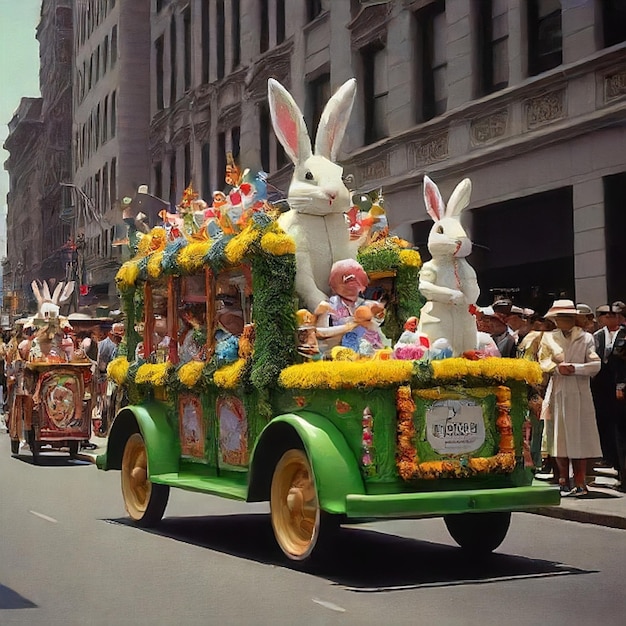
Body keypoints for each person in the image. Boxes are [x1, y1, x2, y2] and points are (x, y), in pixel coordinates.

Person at [538, 299, 602, 496]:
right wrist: (557, 368)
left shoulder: (586, 338)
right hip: (558, 388)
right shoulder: (548, 338)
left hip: (579, 391)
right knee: (559, 436)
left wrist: (575, 368)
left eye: (565, 317)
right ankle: (563, 477)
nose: (561, 321)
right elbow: (542, 361)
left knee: (580, 437)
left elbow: (595, 365)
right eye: (558, 318)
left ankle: (581, 480)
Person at [590, 304, 623, 472]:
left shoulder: (623, 334)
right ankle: (608, 456)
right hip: (600, 385)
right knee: (603, 421)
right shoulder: (597, 336)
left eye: (612, 315)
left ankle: (618, 462)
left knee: (617, 423)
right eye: (604, 315)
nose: (608, 318)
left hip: (618, 383)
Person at [95, 322, 124, 436]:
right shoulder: (103, 345)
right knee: (106, 403)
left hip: (116, 379)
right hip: (105, 378)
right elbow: (101, 364)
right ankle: (105, 427)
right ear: (111, 335)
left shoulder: (120, 346)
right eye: (116, 336)